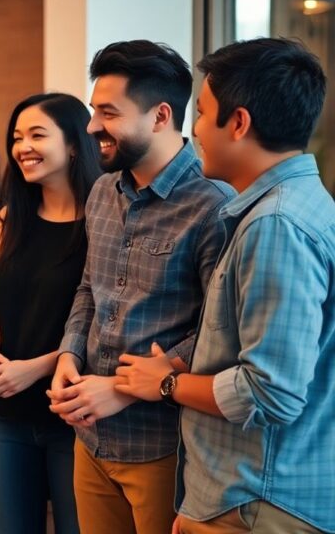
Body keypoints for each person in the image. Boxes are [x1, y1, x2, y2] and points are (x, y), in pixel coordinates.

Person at [115, 38, 334, 534]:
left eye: (201, 113)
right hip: (243, 497)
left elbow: (271, 393)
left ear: (238, 123)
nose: (193, 130)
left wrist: (166, 385)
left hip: (258, 500)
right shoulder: (300, 203)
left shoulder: (276, 225)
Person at [46, 40, 235, 534]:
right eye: (94, 110)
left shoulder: (214, 204)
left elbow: (219, 332)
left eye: (108, 113)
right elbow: (89, 288)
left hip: (162, 445)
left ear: (160, 116)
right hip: (90, 439)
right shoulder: (101, 191)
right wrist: (69, 355)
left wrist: (122, 390)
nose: (92, 127)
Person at [0, 93, 101, 533]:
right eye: (17, 137)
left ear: (73, 144)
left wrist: (33, 369)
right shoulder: (10, 218)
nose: (23, 147)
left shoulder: (102, 223)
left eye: (36, 135)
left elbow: (100, 323)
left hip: (71, 413)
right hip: (6, 413)